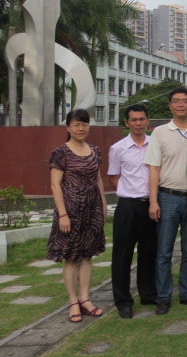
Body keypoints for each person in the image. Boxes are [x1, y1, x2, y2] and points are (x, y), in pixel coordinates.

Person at [144, 87, 187, 315]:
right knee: (164, 252)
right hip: (167, 196)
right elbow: (153, 168)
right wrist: (153, 201)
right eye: (176, 101)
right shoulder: (159, 133)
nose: (181, 105)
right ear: (170, 105)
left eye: (185, 101)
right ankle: (163, 296)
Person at [47, 108, 107, 323]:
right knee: (71, 256)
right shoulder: (61, 152)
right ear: (68, 128)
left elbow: (98, 180)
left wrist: (103, 205)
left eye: (84, 124)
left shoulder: (95, 150)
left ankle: (85, 298)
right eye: (76, 124)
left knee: (87, 254)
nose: (81, 128)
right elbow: (55, 185)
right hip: (70, 210)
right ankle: (73, 302)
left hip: (92, 209)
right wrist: (63, 214)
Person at [108, 104, 156, 319]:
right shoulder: (118, 148)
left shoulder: (154, 144)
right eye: (134, 120)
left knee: (149, 251)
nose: (138, 123)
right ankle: (123, 300)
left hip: (150, 204)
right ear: (126, 123)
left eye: (142, 119)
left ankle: (147, 293)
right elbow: (113, 176)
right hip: (127, 206)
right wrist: (129, 191)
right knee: (122, 254)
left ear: (148, 121)